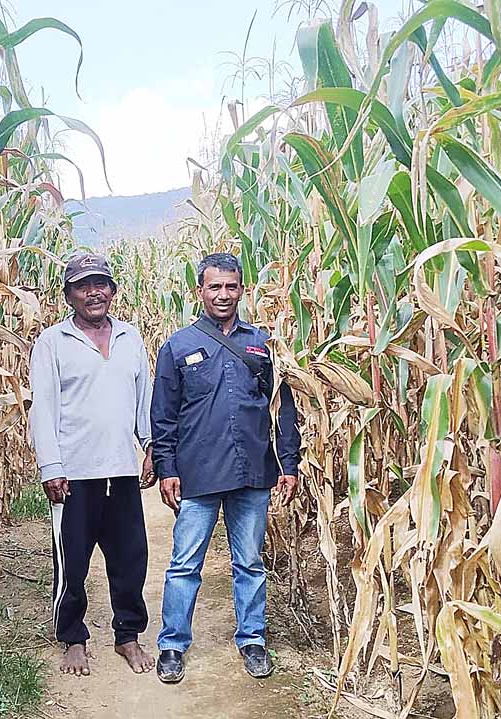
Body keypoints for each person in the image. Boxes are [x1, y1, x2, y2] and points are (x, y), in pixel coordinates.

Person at [149, 252, 300, 683]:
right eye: (214, 286)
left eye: (231, 286)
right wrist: (167, 468)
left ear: (242, 289)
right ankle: (173, 645)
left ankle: (253, 640)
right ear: (200, 291)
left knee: (250, 562)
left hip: (253, 471)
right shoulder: (178, 346)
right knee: (184, 564)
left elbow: (282, 408)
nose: (223, 294)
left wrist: (287, 463)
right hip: (198, 474)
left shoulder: (263, 345)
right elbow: (163, 415)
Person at [29, 252, 156, 677]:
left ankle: (128, 636)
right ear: (69, 295)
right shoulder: (52, 342)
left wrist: (150, 445)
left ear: (113, 290)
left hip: (120, 470)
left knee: (130, 558)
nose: (93, 292)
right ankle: (72, 639)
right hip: (73, 476)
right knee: (73, 562)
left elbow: (144, 398)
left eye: (100, 283)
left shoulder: (130, 338)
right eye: (83, 285)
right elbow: (42, 409)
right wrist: (51, 466)